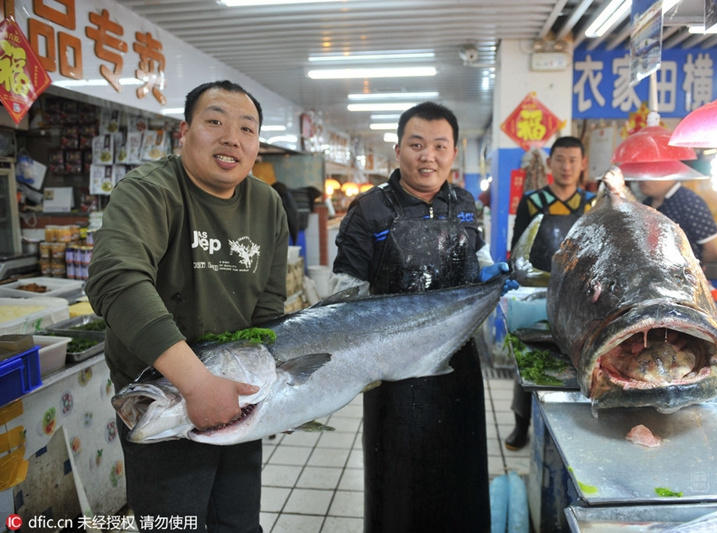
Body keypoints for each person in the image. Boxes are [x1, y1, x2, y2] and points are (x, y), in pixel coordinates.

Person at [85, 80, 289, 533]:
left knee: (237, 522)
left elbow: (269, 309)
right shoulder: (149, 190)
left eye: (247, 129)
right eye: (214, 122)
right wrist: (195, 383)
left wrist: (278, 393)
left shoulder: (267, 204)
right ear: (184, 131)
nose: (231, 138)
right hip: (168, 398)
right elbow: (114, 279)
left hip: (237, 394)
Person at [331, 101, 516, 532]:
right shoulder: (369, 210)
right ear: (398, 151)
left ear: (454, 151)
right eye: (416, 144)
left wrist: (489, 273)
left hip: (458, 363)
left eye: (439, 145)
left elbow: (478, 253)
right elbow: (344, 295)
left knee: (459, 473)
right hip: (393, 372)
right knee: (398, 481)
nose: (427, 156)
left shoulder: (465, 202)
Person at [505, 136, 595, 451]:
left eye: (573, 160)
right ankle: (521, 425)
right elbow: (518, 247)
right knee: (528, 360)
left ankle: (571, 427)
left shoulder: (592, 203)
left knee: (571, 360)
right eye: (560, 159)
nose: (567, 166)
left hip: (577, 296)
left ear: (583, 164)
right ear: (550, 163)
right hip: (536, 293)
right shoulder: (531, 201)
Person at [638, 179, 717, 263]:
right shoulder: (646, 203)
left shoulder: (688, 200)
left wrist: (694, 266)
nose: (641, 179)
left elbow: (716, 249)